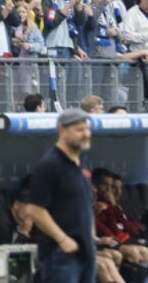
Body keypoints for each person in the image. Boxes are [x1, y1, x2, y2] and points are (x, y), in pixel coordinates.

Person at [25, 108, 97, 283]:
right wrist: (63, 240)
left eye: (87, 129)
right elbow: (35, 209)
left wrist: (91, 238)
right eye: (79, 130)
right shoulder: (49, 164)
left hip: (85, 252)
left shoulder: (80, 165)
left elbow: (85, 207)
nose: (86, 134)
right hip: (61, 255)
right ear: (62, 131)